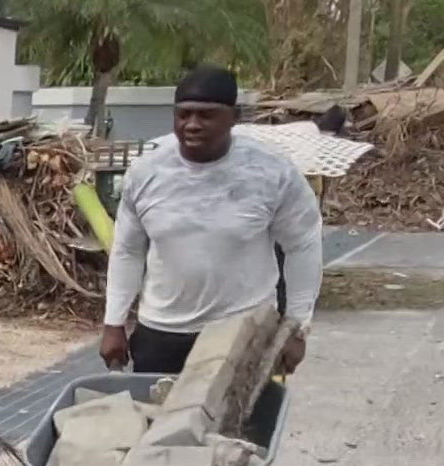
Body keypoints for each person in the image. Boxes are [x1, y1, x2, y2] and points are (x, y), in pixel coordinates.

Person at [99, 65, 321, 376]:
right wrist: (114, 322)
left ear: (234, 117)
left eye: (206, 115)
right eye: (183, 114)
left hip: (243, 332)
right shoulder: (146, 173)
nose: (192, 125)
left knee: (238, 424)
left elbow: (303, 246)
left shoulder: (272, 173)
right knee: (156, 420)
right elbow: (127, 251)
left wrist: (297, 329)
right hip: (162, 334)